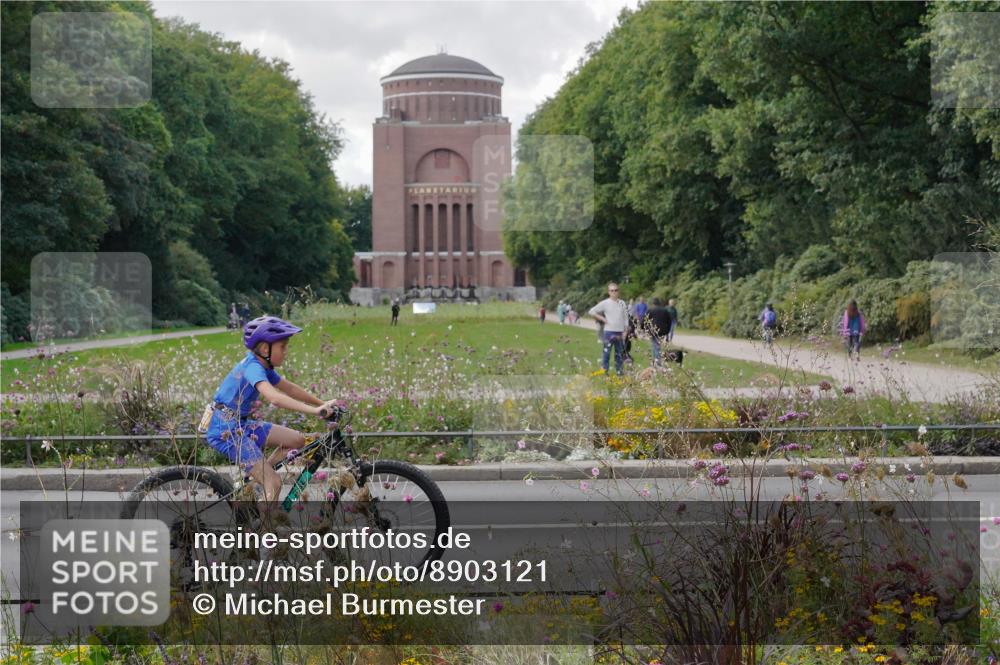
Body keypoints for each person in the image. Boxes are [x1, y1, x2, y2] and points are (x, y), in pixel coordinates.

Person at [204, 316, 339, 501]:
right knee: (274, 483)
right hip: (225, 430)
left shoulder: (263, 366)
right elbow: (274, 398)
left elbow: (290, 388)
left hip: (239, 424)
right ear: (265, 348)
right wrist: (316, 411)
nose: (286, 351)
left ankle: (253, 480)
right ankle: (264, 529)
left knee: (297, 441)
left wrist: (321, 403)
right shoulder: (253, 368)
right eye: (282, 346)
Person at [589, 282, 630, 376]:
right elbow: (591, 311)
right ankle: (604, 372)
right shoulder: (605, 303)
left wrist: (626, 331)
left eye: (616, 290)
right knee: (606, 354)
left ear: (618, 291)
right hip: (609, 332)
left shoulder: (622, 303)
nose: (614, 292)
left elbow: (626, 318)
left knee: (619, 354)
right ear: (609, 292)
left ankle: (619, 373)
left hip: (620, 332)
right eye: (612, 290)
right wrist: (602, 318)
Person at [645, 298, 672, 366]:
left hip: (653, 330)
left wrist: (644, 328)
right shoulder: (665, 310)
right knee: (656, 345)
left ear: (653, 303)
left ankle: (657, 362)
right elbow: (669, 321)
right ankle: (655, 360)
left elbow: (645, 320)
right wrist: (667, 331)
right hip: (663, 331)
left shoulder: (650, 310)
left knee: (655, 345)